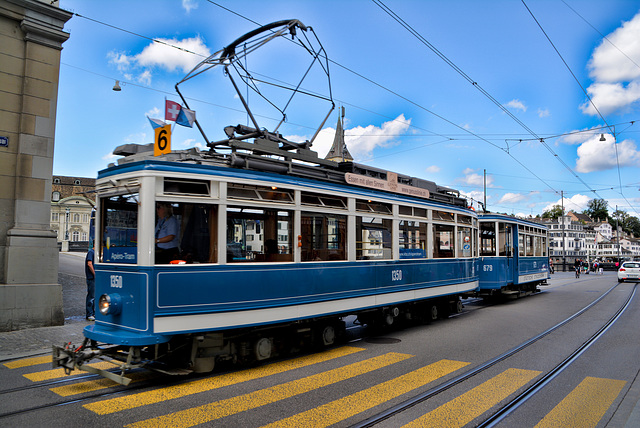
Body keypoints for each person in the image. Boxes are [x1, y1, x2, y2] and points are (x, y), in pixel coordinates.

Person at [85, 245, 95, 321]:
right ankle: (89, 314)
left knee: (94, 296)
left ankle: (93, 313)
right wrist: (95, 274)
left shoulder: (94, 252)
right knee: (91, 296)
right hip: (91, 278)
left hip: (93, 278)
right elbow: (89, 263)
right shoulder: (91, 252)